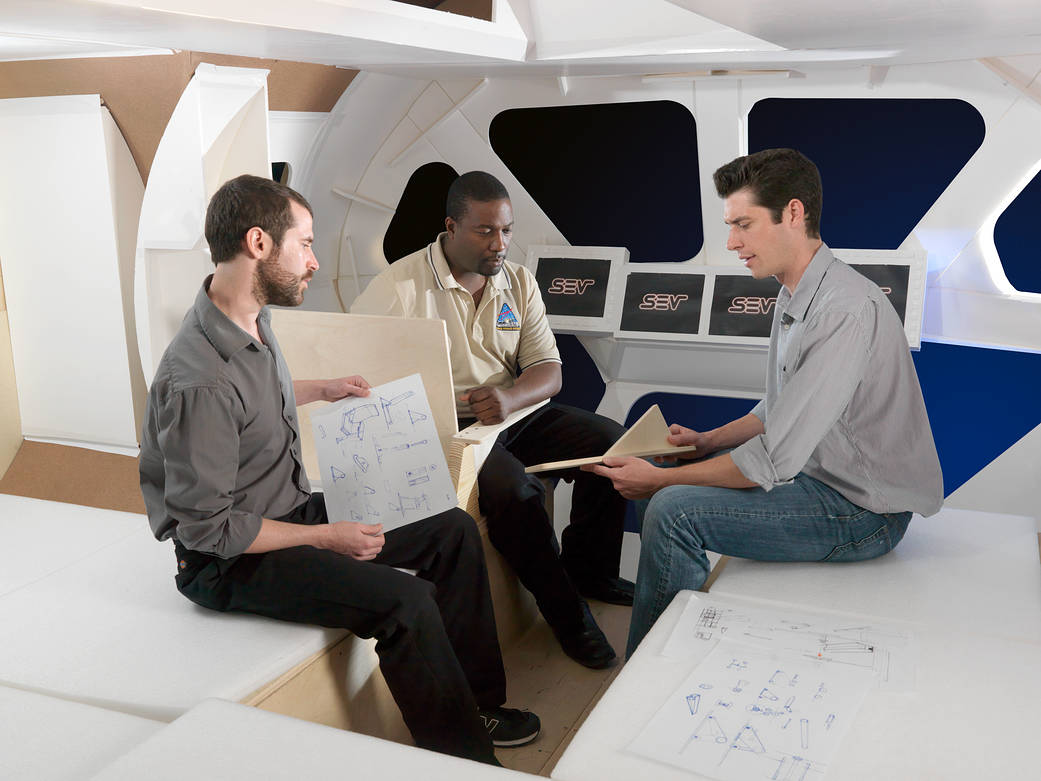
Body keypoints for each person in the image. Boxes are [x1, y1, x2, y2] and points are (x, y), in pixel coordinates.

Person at [138, 174, 539, 765]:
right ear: (258, 244)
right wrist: (328, 536)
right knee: (405, 602)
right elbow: (207, 531)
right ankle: (464, 760)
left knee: (450, 529)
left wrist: (322, 388)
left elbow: (252, 398)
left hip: (286, 508)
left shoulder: (250, 316)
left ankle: (479, 703)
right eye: (305, 243)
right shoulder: (199, 378)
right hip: (229, 562)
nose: (314, 261)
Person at [588, 149, 943, 656]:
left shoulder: (845, 309)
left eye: (744, 225)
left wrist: (662, 477)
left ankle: (648, 677)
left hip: (866, 515)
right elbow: (783, 403)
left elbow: (775, 458)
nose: (732, 242)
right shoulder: (793, 291)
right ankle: (671, 654)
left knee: (671, 509)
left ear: (793, 215)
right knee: (662, 497)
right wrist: (706, 443)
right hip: (822, 485)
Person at [352, 171, 630, 669]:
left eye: (506, 230)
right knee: (511, 489)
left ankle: (591, 572)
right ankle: (566, 613)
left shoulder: (517, 281)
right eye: (485, 231)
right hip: (443, 426)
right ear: (450, 227)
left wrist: (508, 397)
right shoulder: (398, 288)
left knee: (611, 445)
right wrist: (441, 409)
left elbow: (549, 371)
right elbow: (358, 379)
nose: (500, 243)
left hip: (509, 412)